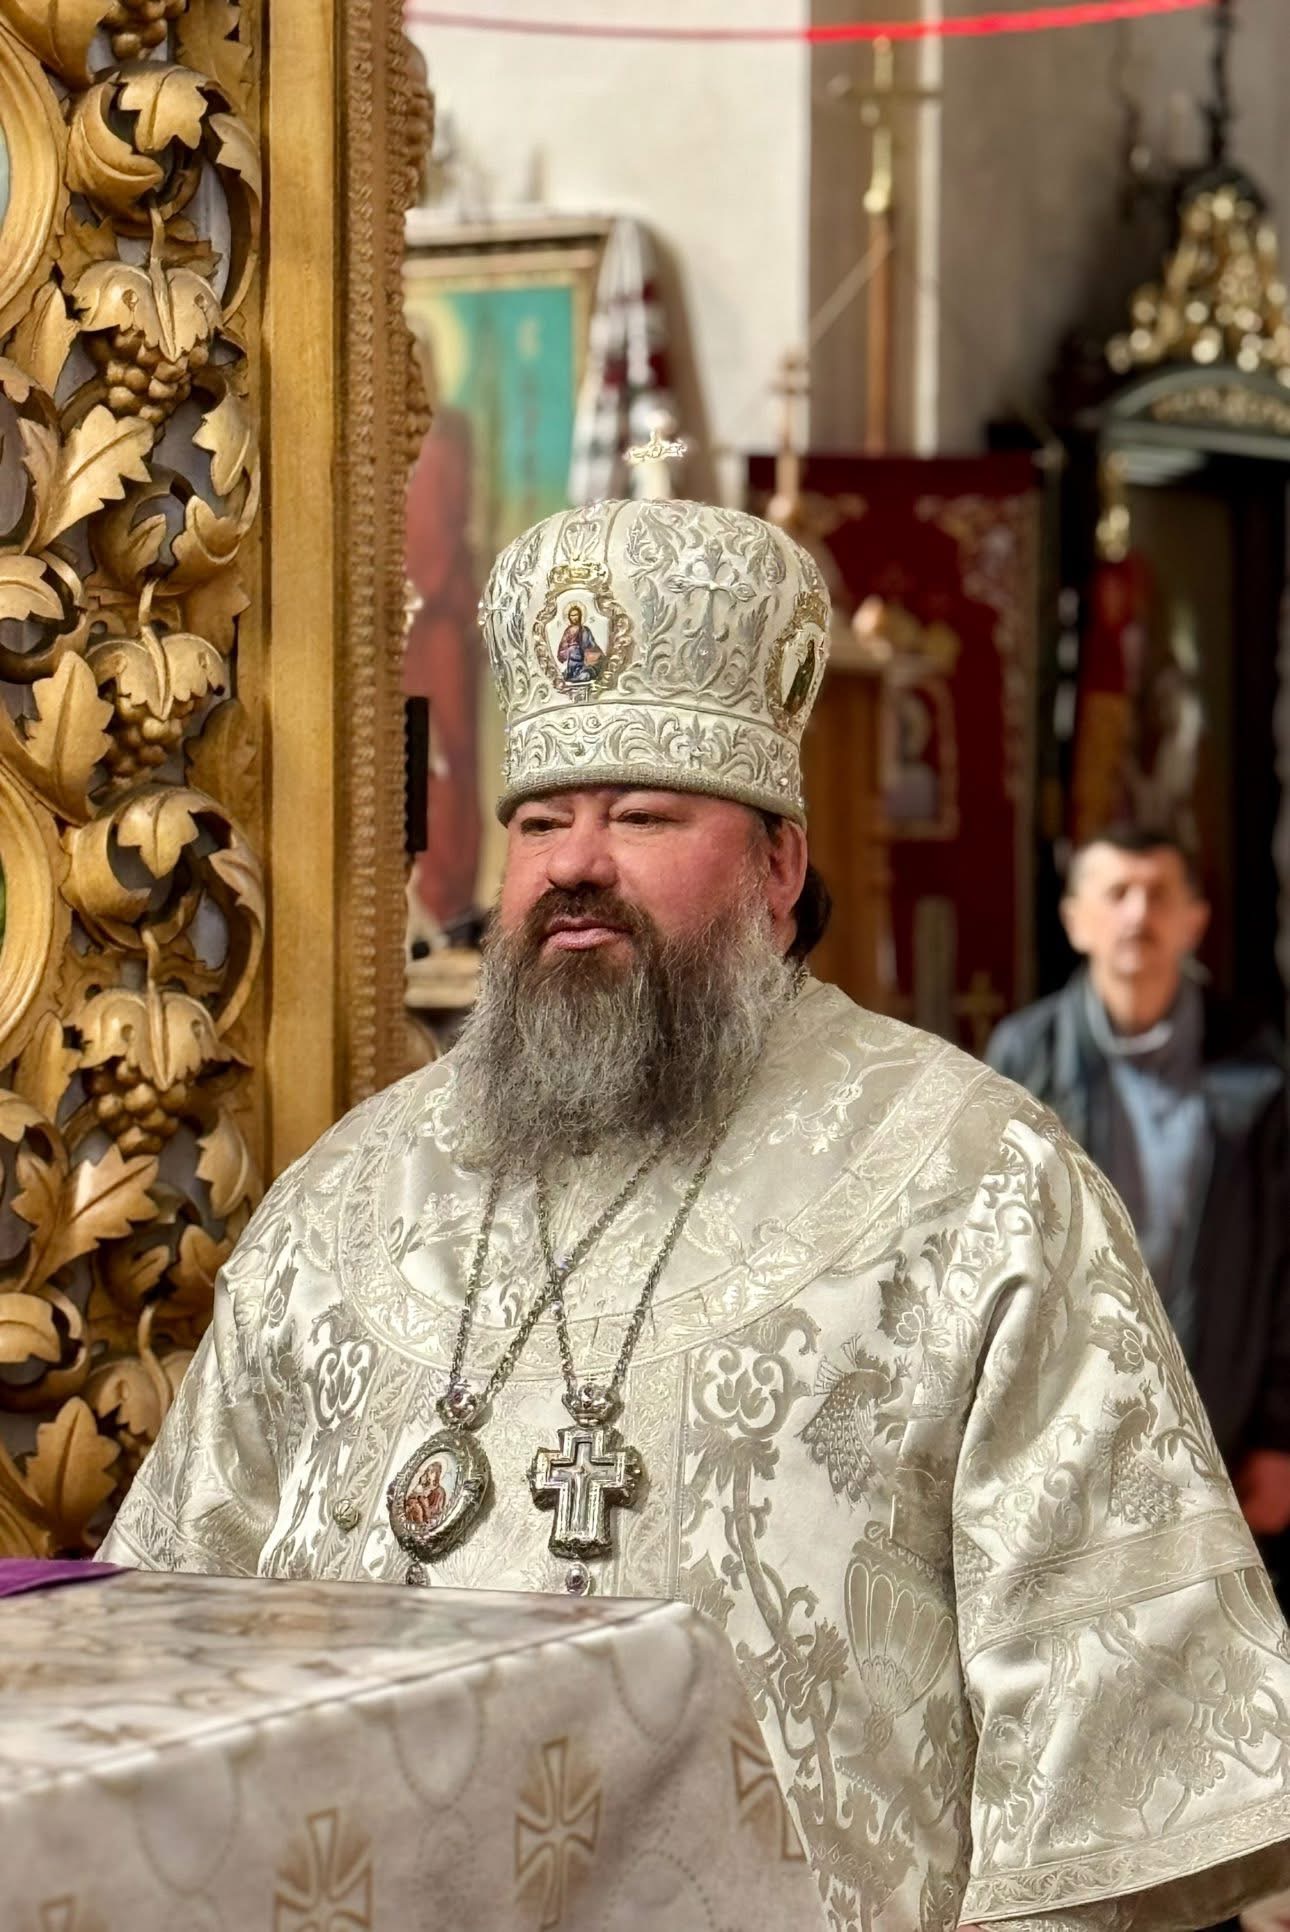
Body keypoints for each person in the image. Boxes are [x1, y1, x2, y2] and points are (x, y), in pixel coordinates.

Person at [104, 501, 1290, 1932]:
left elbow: (1122, 1769)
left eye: (644, 816)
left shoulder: (980, 1187)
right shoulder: (347, 1200)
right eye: (541, 821)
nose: (575, 862)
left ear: (779, 869)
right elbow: (160, 1652)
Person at [985, 827, 1290, 1588]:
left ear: (1195, 920)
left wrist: (1279, 1431)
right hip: (1064, 1431)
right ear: (1074, 919)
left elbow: (1285, 1264)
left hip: (1218, 1429)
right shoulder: (1023, 1059)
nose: (1137, 914)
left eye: (1158, 894)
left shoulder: (1258, 1067)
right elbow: (986, 1251)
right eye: (1116, 892)